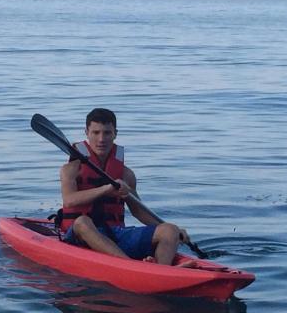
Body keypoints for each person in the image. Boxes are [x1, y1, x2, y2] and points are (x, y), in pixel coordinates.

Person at [59, 108, 191, 266]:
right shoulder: (71, 169)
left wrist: (174, 232)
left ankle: (162, 270)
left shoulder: (126, 175)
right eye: (96, 132)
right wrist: (106, 189)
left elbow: (139, 211)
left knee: (169, 230)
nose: (101, 139)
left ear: (115, 133)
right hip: (80, 235)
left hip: (115, 234)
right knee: (82, 222)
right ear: (86, 132)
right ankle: (131, 266)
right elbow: (69, 201)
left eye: (107, 133)